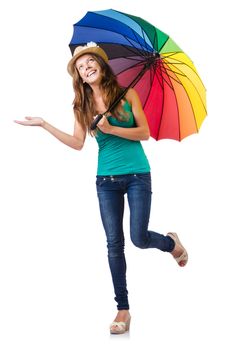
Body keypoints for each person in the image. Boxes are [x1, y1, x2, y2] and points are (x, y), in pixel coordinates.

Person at [14, 42, 188, 335]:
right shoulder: (81, 105)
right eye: (81, 66)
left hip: (137, 176)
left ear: (101, 65)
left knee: (139, 237)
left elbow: (144, 133)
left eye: (91, 61)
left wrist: (111, 129)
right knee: (113, 244)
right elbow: (78, 143)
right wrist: (44, 124)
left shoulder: (127, 94)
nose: (86, 67)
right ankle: (123, 308)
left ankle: (171, 243)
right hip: (105, 181)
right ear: (79, 76)